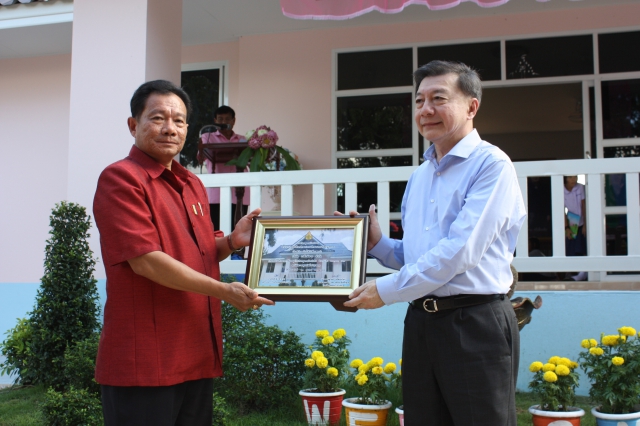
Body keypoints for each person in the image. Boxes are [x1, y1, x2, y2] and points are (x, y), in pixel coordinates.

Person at [342, 61, 526, 426]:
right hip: (421, 324)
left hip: (475, 323)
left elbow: (459, 252)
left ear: (471, 106)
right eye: (419, 100)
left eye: (438, 98)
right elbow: (420, 257)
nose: (426, 110)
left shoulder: (492, 166)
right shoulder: (420, 176)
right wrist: (377, 244)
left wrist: (386, 290)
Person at [93, 80, 274, 426]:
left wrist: (233, 241)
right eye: (157, 118)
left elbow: (201, 252)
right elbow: (146, 261)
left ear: (187, 129)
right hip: (145, 362)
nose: (169, 128)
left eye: (178, 121)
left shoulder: (192, 184)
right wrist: (224, 291)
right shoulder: (121, 179)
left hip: (195, 352)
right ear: (133, 125)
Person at [199, 105, 249, 231]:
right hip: (216, 193)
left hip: (240, 192)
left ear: (233, 121)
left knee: (237, 230)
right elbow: (200, 157)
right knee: (216, 231)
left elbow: (250, 159)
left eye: (227, 119)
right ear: (215, 121)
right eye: (220, 119)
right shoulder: (208, 137)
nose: (224, 122)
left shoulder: (243, 140)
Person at [564, 175, 587, 281]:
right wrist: (566, 227)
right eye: (570, 177)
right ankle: (571, 272)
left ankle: (583, 273)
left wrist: (585, 224)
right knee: (571, 246)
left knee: (582, 245)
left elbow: (584, 205)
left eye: (575, 177)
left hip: (582, 219)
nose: (573, 179)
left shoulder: (580, 187)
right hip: (572, 219)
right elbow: (561, 209)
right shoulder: (561, 189)